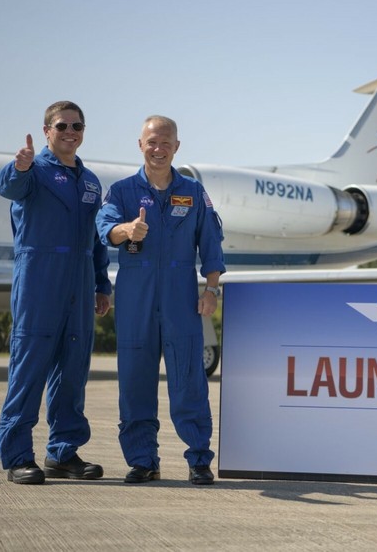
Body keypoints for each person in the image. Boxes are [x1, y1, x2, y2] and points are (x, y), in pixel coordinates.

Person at [96, 115, 225, 485]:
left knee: (188, 379)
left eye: (166, 142)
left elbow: (211, 242)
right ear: (141, 145)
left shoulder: (193, 192)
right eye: (152, 142)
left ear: (176, 147)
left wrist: (211, 289)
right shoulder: (122, 190)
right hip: (135, 296)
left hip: (180, 295)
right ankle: (143, 461)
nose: (158, 149)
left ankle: (198, 459)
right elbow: (104, 229)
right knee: (135, 380)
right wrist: (127, 230)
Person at [0, 101, 112, 485]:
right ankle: (17, 455)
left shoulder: (90, 182)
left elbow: (96, 239)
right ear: (47, 130)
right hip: (39, 280)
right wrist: (20, 166)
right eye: (62, 125)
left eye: (77, 126)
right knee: (29, 367)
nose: (70, 132)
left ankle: (63, 453)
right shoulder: (33, 171)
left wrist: (101, 284)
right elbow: (8, 187)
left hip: (80, 281)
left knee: (72, 370)